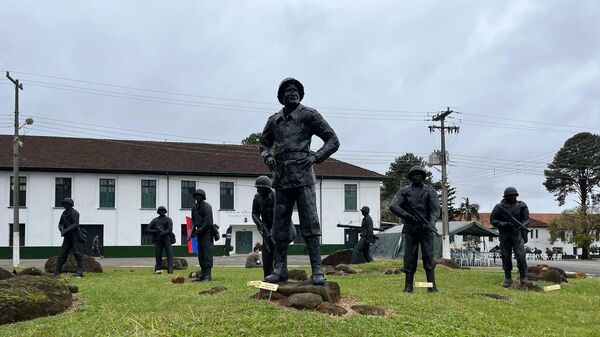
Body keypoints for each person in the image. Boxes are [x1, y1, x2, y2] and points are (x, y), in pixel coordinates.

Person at [259, 77, 340, 285]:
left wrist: (315, 157)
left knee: (310, 223)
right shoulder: (273, 120)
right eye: (287, 90)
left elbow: (333, 140)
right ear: (280, 96)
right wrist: (268, 157)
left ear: (301, 94)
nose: (292, 93)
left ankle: (317, 270)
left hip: (303, 175)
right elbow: (264, 145)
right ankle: (280, 269)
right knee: (280, 225)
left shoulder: (309, 115)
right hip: (282, 177)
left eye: (295, 90)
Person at [389, 166, 441, 293]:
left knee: (429, 256)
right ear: (411, 177)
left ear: (423, 177)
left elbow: (436, 209)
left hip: (426, 228)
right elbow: (393, 206)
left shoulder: (430, 191)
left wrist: (432, 222)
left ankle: (431, 286)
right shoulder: (404, 191)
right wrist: (407, 215)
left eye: (419, 174)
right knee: (409, 257)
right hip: (410, 228)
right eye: (414, 174)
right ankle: (408, 286)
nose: (417, 176)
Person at [490, 187, 530, 287]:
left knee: (520, 255)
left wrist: (522, 225)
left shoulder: (522, 206)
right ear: (506, 197)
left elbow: (527, 219)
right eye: (510, 196)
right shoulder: (499, 207)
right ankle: (507, 278)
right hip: (505, 234)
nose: (512, 198)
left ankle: (523, 277)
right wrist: (504, 224)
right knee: (505, 255)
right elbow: (493, 220)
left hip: (517, 233)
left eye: (514, 196)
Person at [251, 175, 276, 278]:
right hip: (265, 226)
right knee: (266, 254)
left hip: (276, 226)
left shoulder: (275, 196)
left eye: (261, 188)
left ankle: (278, 275)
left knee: (277, 253)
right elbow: (254, 213)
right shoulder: (257, 197)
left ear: (267, 188)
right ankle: (267, 275)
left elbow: (280, 213)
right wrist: (260, 224)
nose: (259, 190)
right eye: (258, 188)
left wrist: (275, 229)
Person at [54, 198, 85, 277]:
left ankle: (80, 271)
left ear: (70, 204)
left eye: (65, 203)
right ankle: (57, 271)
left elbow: (75, 224)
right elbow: (60, 223)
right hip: (67, 236)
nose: (64, 205)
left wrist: (66, 230)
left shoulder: (75, 213)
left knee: (77, 253)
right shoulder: (64, 213)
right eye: (63, 203)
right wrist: (61, 229)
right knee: (62, 253)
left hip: (76, 235)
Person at [190, 189, 215, 281]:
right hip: (199, 233)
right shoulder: (194, 208)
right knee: (200, 254)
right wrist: (192, 231)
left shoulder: (207, 206)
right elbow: (193, 221)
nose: (197, 197)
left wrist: (198, 231)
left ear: (203, 197)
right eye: (196, 195)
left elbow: (208, 222)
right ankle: (203, 273)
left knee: (207, 253)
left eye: (199, 195)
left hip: (206, 233)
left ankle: (208, 275)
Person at [148, 206, 174, 274]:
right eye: (160, 211)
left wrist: (164, 233)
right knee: (158, 254)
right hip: (158, 239)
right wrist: (156, 231)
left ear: (165, 211)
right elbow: (148, 228)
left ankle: (170, 268)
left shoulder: (168, 219)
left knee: (169, 254)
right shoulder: (155, 220)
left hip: (166, 239)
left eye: (163, 210)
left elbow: (170, 229)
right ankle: (158, 268)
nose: (161, 212)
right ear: (158, 212)